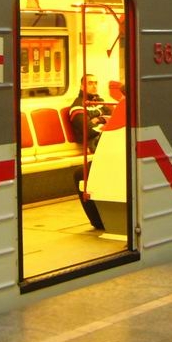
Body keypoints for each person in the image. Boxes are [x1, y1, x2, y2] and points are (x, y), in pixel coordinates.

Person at [69, 74, 111, 229]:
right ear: (82, 86)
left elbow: (112, 118)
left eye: (96, 83)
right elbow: (88, 129)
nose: (94, 86)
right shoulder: (77, 106)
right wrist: (103, 120)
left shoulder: (101, 101)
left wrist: (98, 120)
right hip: (93, 142)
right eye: (90, 83)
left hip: (105, 138)